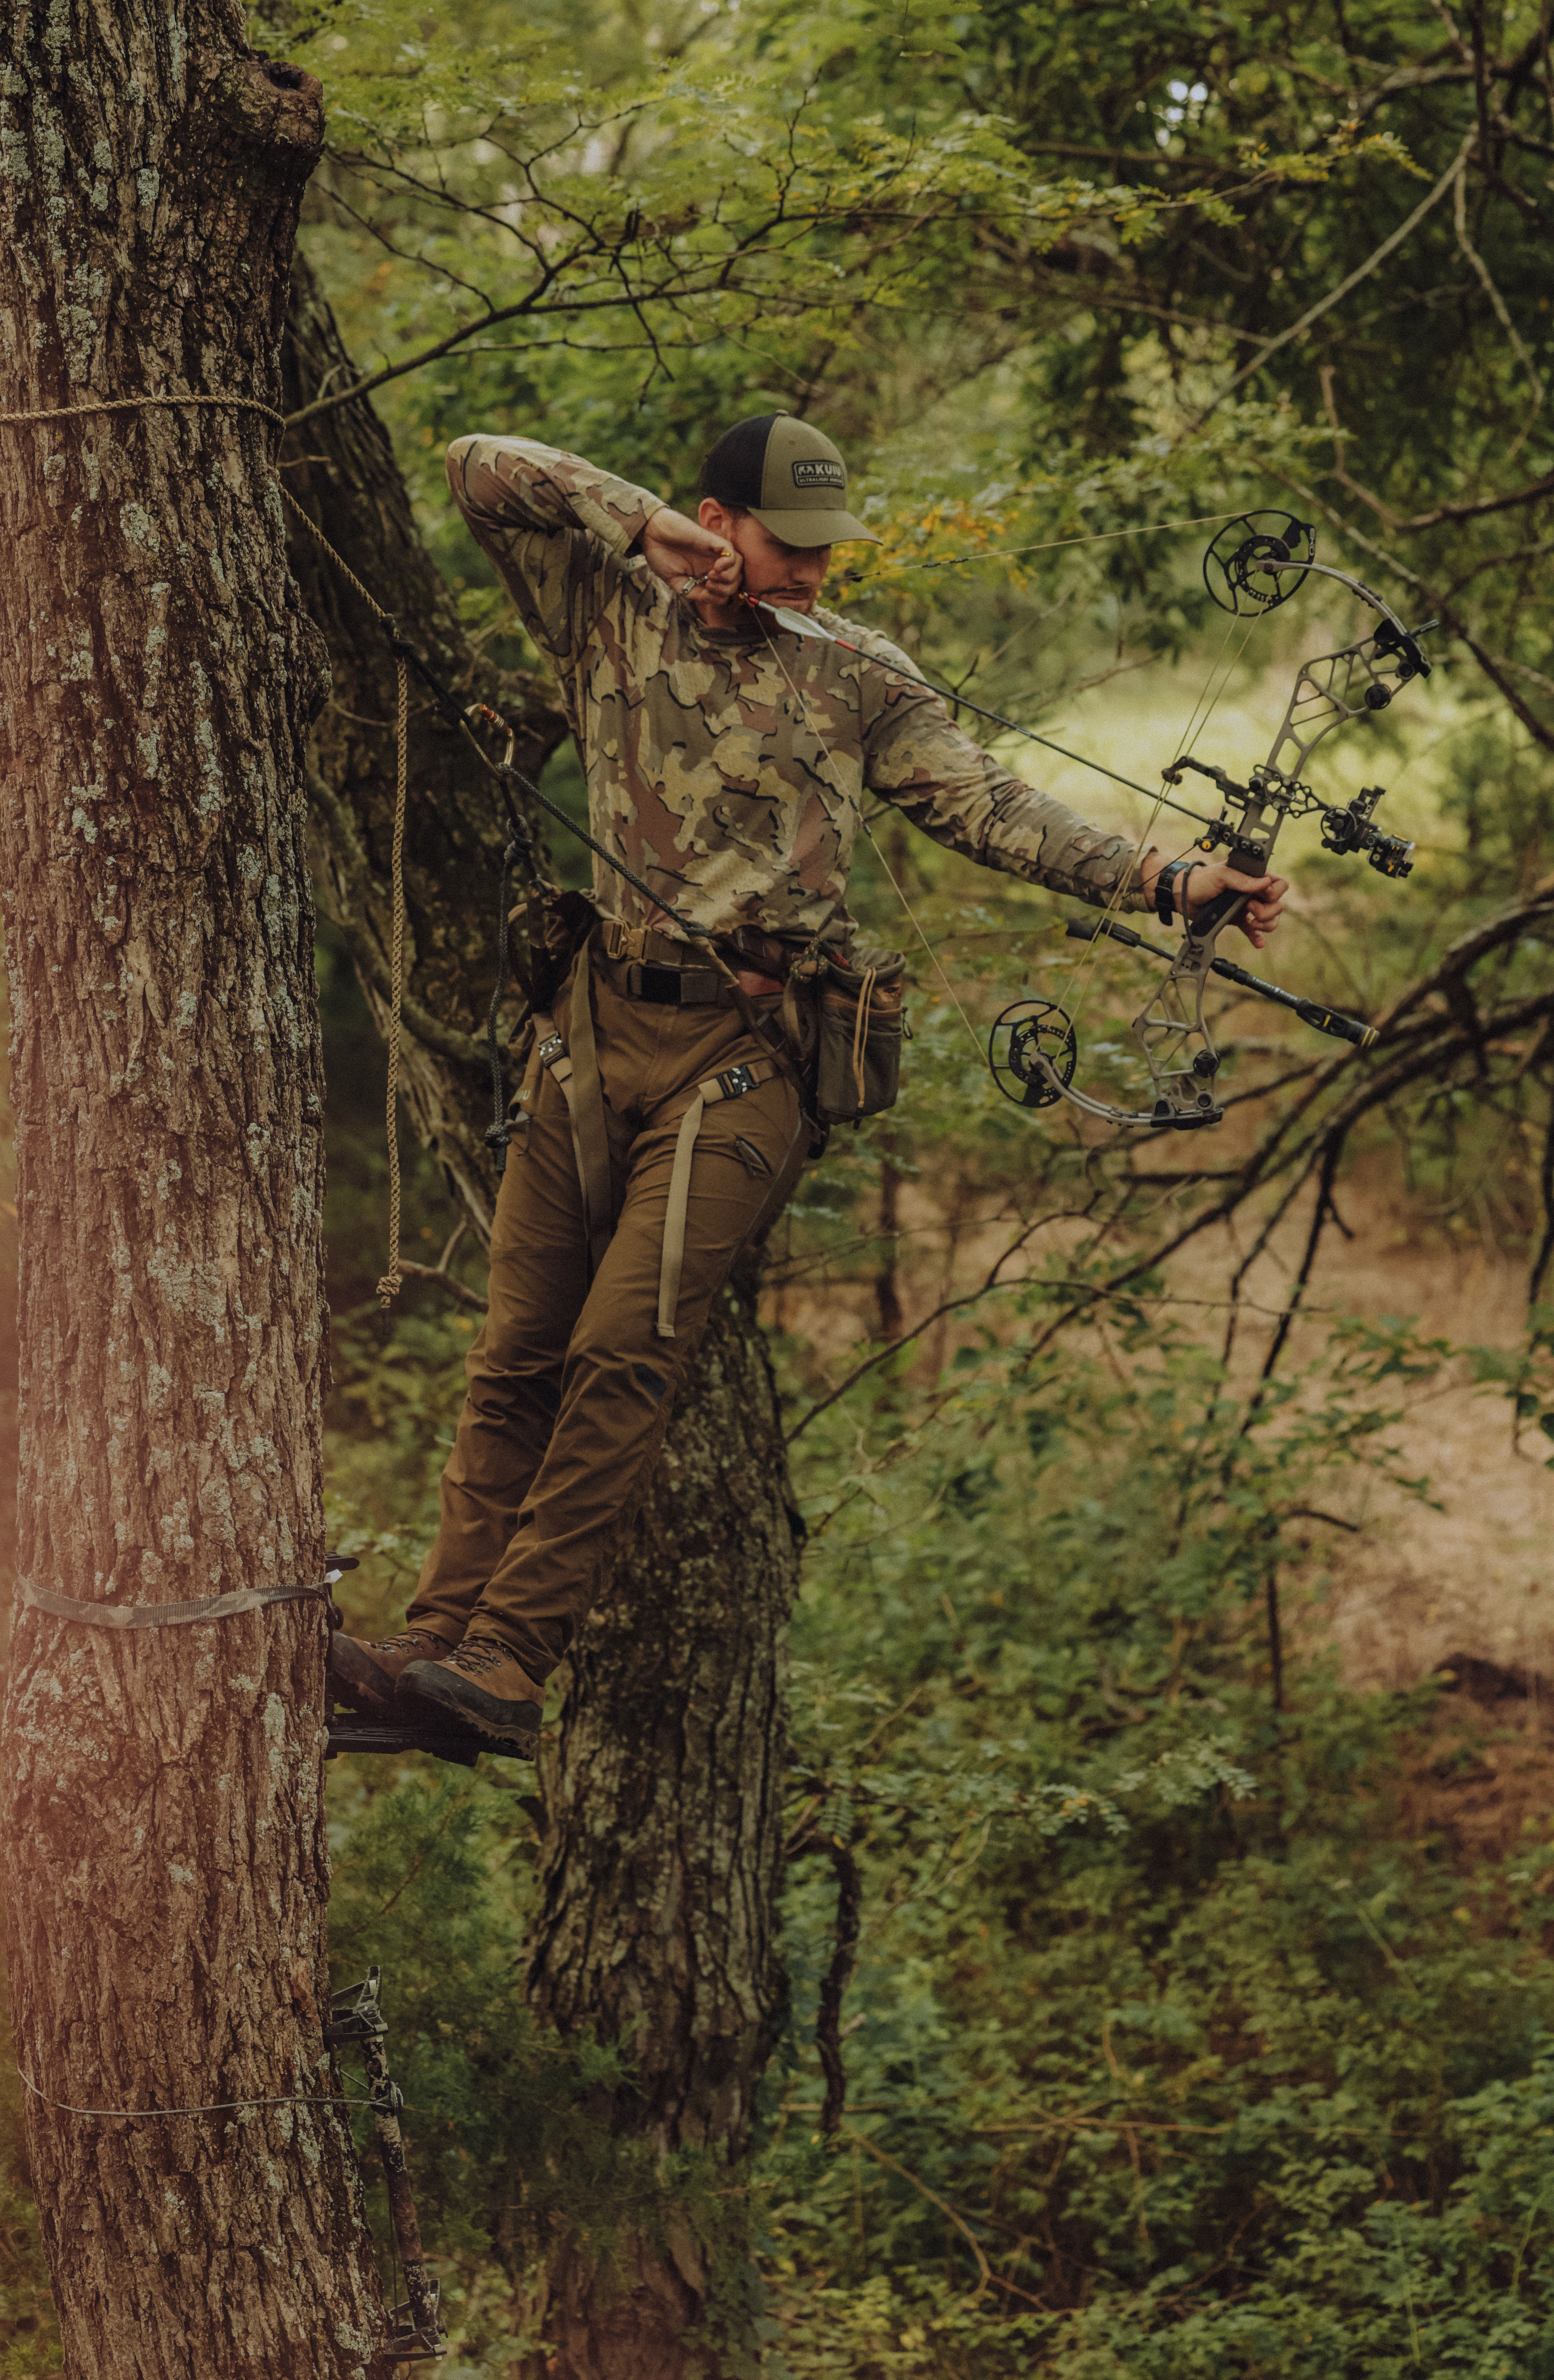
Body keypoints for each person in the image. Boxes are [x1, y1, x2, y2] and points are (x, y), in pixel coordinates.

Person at [328, 412, 1287, 1756]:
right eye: (791, 543)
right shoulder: (609, 600)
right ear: (718, 524)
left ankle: (504, 1657)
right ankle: (426, 1647)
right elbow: (480, 463)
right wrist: (639, 519)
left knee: (621, 1349)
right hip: (593, 1026)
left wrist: (1166, 880)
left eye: (832, 549)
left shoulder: (858, 673)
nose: (816, 572)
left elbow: (992, 807)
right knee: (514, 1356)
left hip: (751, 1050)